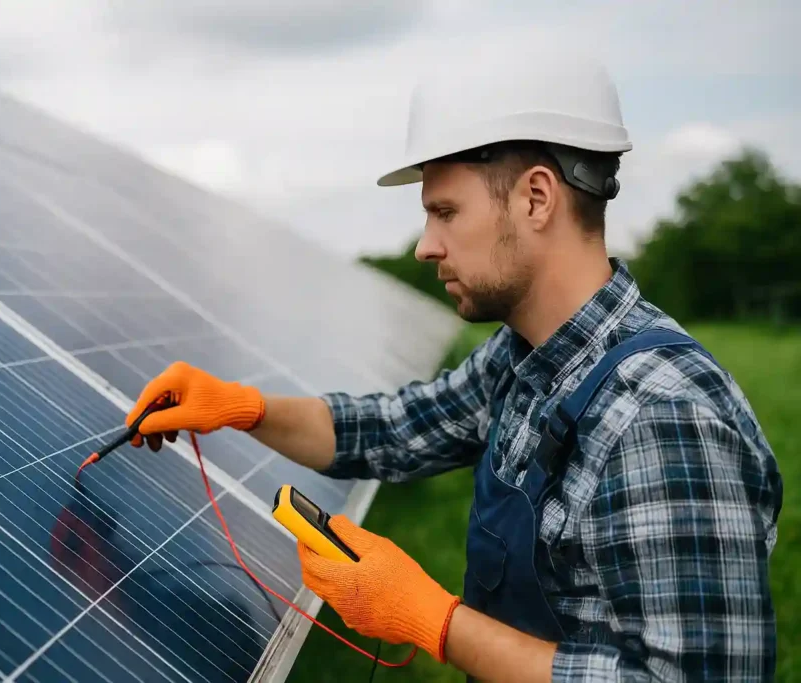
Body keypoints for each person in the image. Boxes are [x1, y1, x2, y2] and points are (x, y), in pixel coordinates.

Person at [125, 51, 783, 681]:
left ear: (535, 198)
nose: (425, 246)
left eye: (445, 212)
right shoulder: (524, 357)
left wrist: (432, 618)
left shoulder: (661, 414)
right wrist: (244, 407)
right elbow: (394, 428)